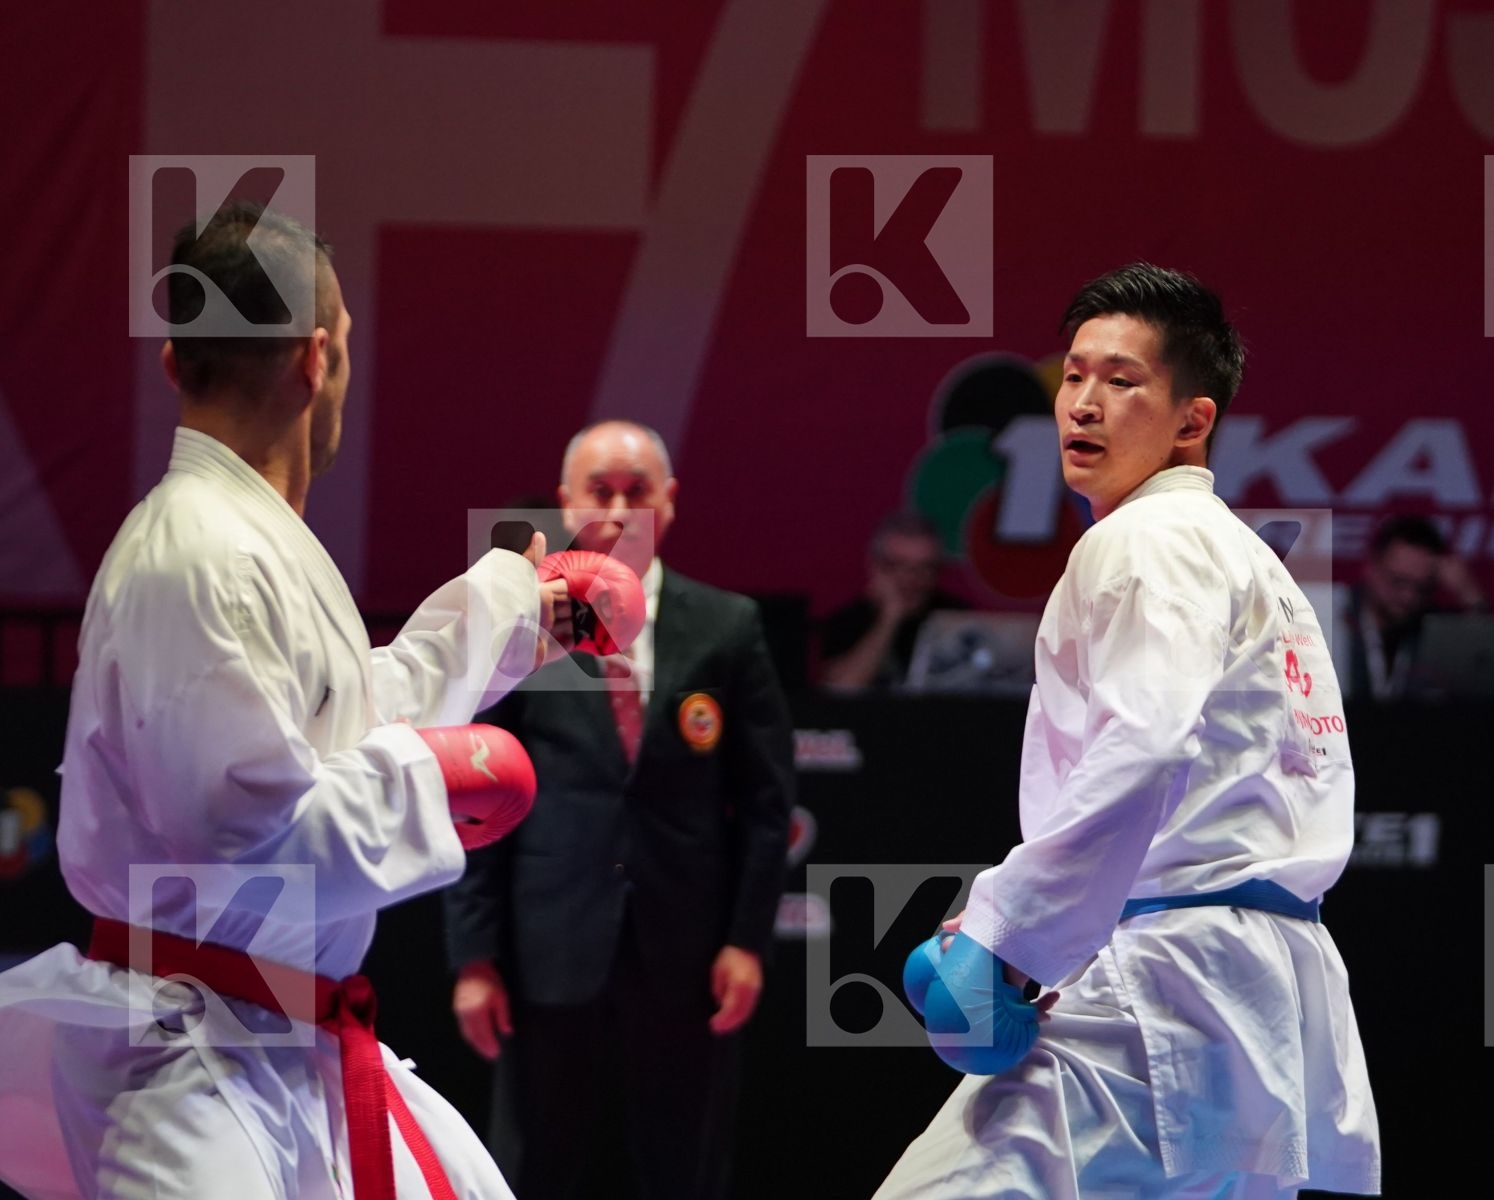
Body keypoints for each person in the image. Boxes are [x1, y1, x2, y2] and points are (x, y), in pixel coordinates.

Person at [0, 203, 578, 1199]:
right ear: (318, 360)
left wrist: (506, 614)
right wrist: (428, 779)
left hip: (281, 1037)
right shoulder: (197, 552)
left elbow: (338, 723)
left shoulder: (238, 535)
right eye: (346, 343)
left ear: (176, 364)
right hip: (185, 1067)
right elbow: (242, 840)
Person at [875, 264, 1381, 1199]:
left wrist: (1006, 932)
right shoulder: (1248, 558)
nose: (1085, 403)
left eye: (1122, 381)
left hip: (1156, 980)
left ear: (1193, 419)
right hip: (1269, 994)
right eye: (1074, 376)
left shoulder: (1143, 540)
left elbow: (1145, 749)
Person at [444, 420, 797, 1200]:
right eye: (598, 491)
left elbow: (768, 805)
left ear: (668, 503)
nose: (617, 508)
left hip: (685, 946)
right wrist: (475, 957)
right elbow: (477, 800)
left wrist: (745, 942)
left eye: (636, 491)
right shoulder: (526, 632)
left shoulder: (725, 625)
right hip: (549, 941)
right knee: (534, 1164)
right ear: (566, 505)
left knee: (683, 1168)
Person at [1337, 514, 1489, 701]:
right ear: (1370, 568)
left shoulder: (1436, 630)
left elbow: (1486, 672)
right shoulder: (1332, 617)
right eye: (1397, 581)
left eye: (1422, 588)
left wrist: (1472, 598)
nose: (1408, 596)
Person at [816, 510, 967, 690]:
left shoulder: (957, 618)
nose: (911, 580)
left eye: (924, 568)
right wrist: (890, 617)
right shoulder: (847, 621)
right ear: (875, 566)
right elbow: (842, 689)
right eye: (898, 566)